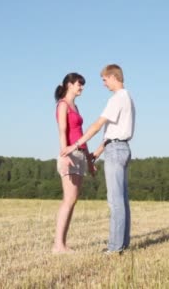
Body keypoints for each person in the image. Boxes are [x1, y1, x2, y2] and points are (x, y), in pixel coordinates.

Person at [62, 64, 135, 254]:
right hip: (121, 148)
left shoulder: (117, 98)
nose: (104, 84)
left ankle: (115, 247)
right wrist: (97, 152)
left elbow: (97, 126)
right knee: (122, 200)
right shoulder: (127, 98)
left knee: (115, 201)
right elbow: (113, 133)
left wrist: (76, 145)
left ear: (113, 77)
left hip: (116, 150)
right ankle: (123, 243)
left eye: (104, 80)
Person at [52, 72, 96, 254]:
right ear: (69, 84)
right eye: (79, 84)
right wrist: (65, 154)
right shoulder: (63, 105)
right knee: (68, 199)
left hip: (79, 154)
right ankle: (58, 245)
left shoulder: (75, 107)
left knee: (73, 200)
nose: (82, 87)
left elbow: (80, 135)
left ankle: (62, 243)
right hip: (69, 154)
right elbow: (62, 131)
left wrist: (89, 160)